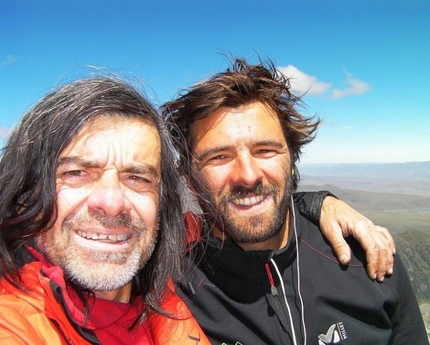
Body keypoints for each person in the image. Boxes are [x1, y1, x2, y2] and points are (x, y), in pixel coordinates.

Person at [163, 58, 427, 344]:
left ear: (292, 161)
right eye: (219, 157)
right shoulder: (170, 291)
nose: (248, 176)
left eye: (265, 150)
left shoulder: (367, 257)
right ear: (189, 177)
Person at [0, 77, 210, 344]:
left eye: (137, 178)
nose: (112, 204)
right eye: (76, 173)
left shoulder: (159, 292)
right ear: (26, 191)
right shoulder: (14, 322)